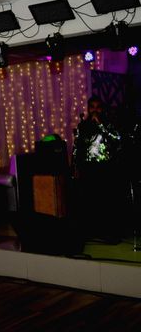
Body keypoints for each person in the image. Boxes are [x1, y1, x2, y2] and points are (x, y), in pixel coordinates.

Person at [73, 95, 124, 243]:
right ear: (88, 108)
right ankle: (90, 231)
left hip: (105, 167)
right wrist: (75, 166)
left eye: (98, 107)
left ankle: (106, 231)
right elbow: (77, 147)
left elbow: (118, 139)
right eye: (92, 107)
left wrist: (101, 125)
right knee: (89, 199)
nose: (95, 110)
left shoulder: (108, 123)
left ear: (102, 108)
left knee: (105, 200)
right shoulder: (83, 125)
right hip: (88, 167)